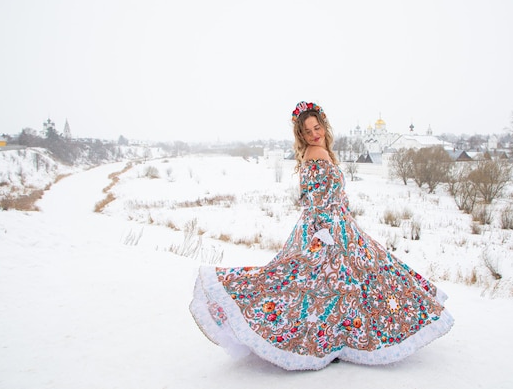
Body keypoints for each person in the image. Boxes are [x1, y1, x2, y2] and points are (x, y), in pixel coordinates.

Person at [189, 101, 453, 370]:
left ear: (324, 126)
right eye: (307, 131)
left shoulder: (321, 151)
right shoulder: (316, 154)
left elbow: (330, 196)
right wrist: (324, 232)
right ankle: (331, 336)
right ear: (301, 136)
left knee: (334, 284)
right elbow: (313, 199)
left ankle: (340, 335)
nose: (314, 134)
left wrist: (342, 222)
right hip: (326, 229)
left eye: (317, 127)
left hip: (337, 225)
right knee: (327, 279)